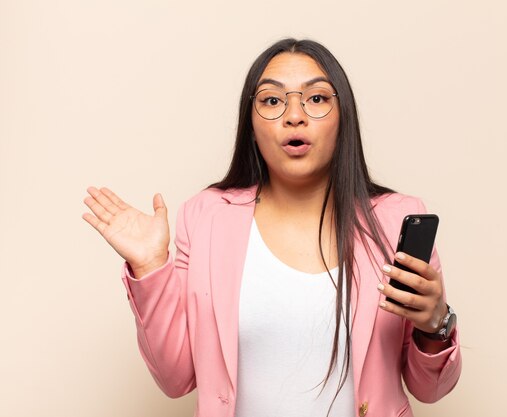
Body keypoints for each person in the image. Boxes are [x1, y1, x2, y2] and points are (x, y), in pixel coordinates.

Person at [82, 38, 461, 417]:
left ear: (343, 116)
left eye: (315, 99)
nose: (294, 115)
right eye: (272, 100)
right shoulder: (206, 216)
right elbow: (175, 378)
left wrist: (435, 325)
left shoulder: (395, 219)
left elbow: (430, 389)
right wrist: (150, 268)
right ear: (250, 123)